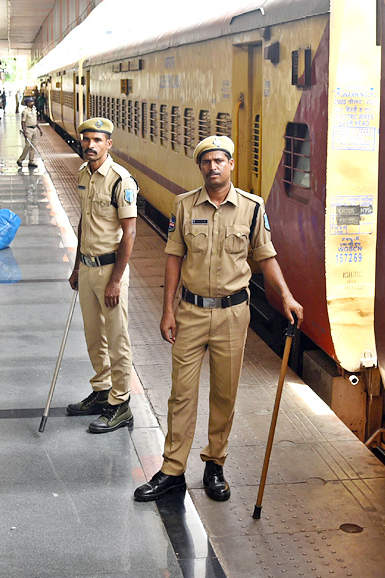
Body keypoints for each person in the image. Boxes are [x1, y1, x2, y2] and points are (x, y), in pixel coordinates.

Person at [134, 135, 303, 503]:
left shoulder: (252, 208)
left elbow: (266, 256)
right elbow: (173, 258)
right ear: (200, 167)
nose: (213, 167)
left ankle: (215, 465)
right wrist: (167, 311)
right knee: (181, 394)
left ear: (230, 164)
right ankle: (172, 470)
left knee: (224, 395)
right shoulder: (183, 206)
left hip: (232, 314)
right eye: (206, 161)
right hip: (190, 313)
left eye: (219, 160)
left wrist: (286, 296)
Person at [65, 118, 139, 433]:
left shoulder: (122, 181)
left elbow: (130, 232)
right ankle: (101, 391)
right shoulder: (83, 174)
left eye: (98, 140)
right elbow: (84, 222)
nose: (91, 145)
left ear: (109, 143)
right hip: (87, 267)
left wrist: (115, 280)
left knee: (117, 339)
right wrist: (76, 266)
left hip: (111, 269)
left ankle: (120, 403)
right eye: (87, 140)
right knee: (94, 336)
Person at [17, 99, 40, 167]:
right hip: (28, 130)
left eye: (33, 101)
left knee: (33, 146)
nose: (32, 103)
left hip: (34, 129)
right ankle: (20, 160)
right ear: (28, 103)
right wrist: (24, 132)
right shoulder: (25, 111)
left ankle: (31, 161)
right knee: (27, 146)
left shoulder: (34, 110)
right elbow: (23, 122)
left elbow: (35, 121)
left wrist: (39, 129)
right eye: (31, 102)